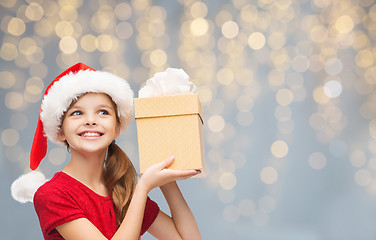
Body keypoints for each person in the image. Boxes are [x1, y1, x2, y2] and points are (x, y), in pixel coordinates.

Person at [21, 63, 201, 239]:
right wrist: (144, 187)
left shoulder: (122, 192)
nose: (90, 120)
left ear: (117, 128)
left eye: (103, 112)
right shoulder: (52, 194)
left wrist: (166, 181)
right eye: (77, 113)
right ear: (60, 131)